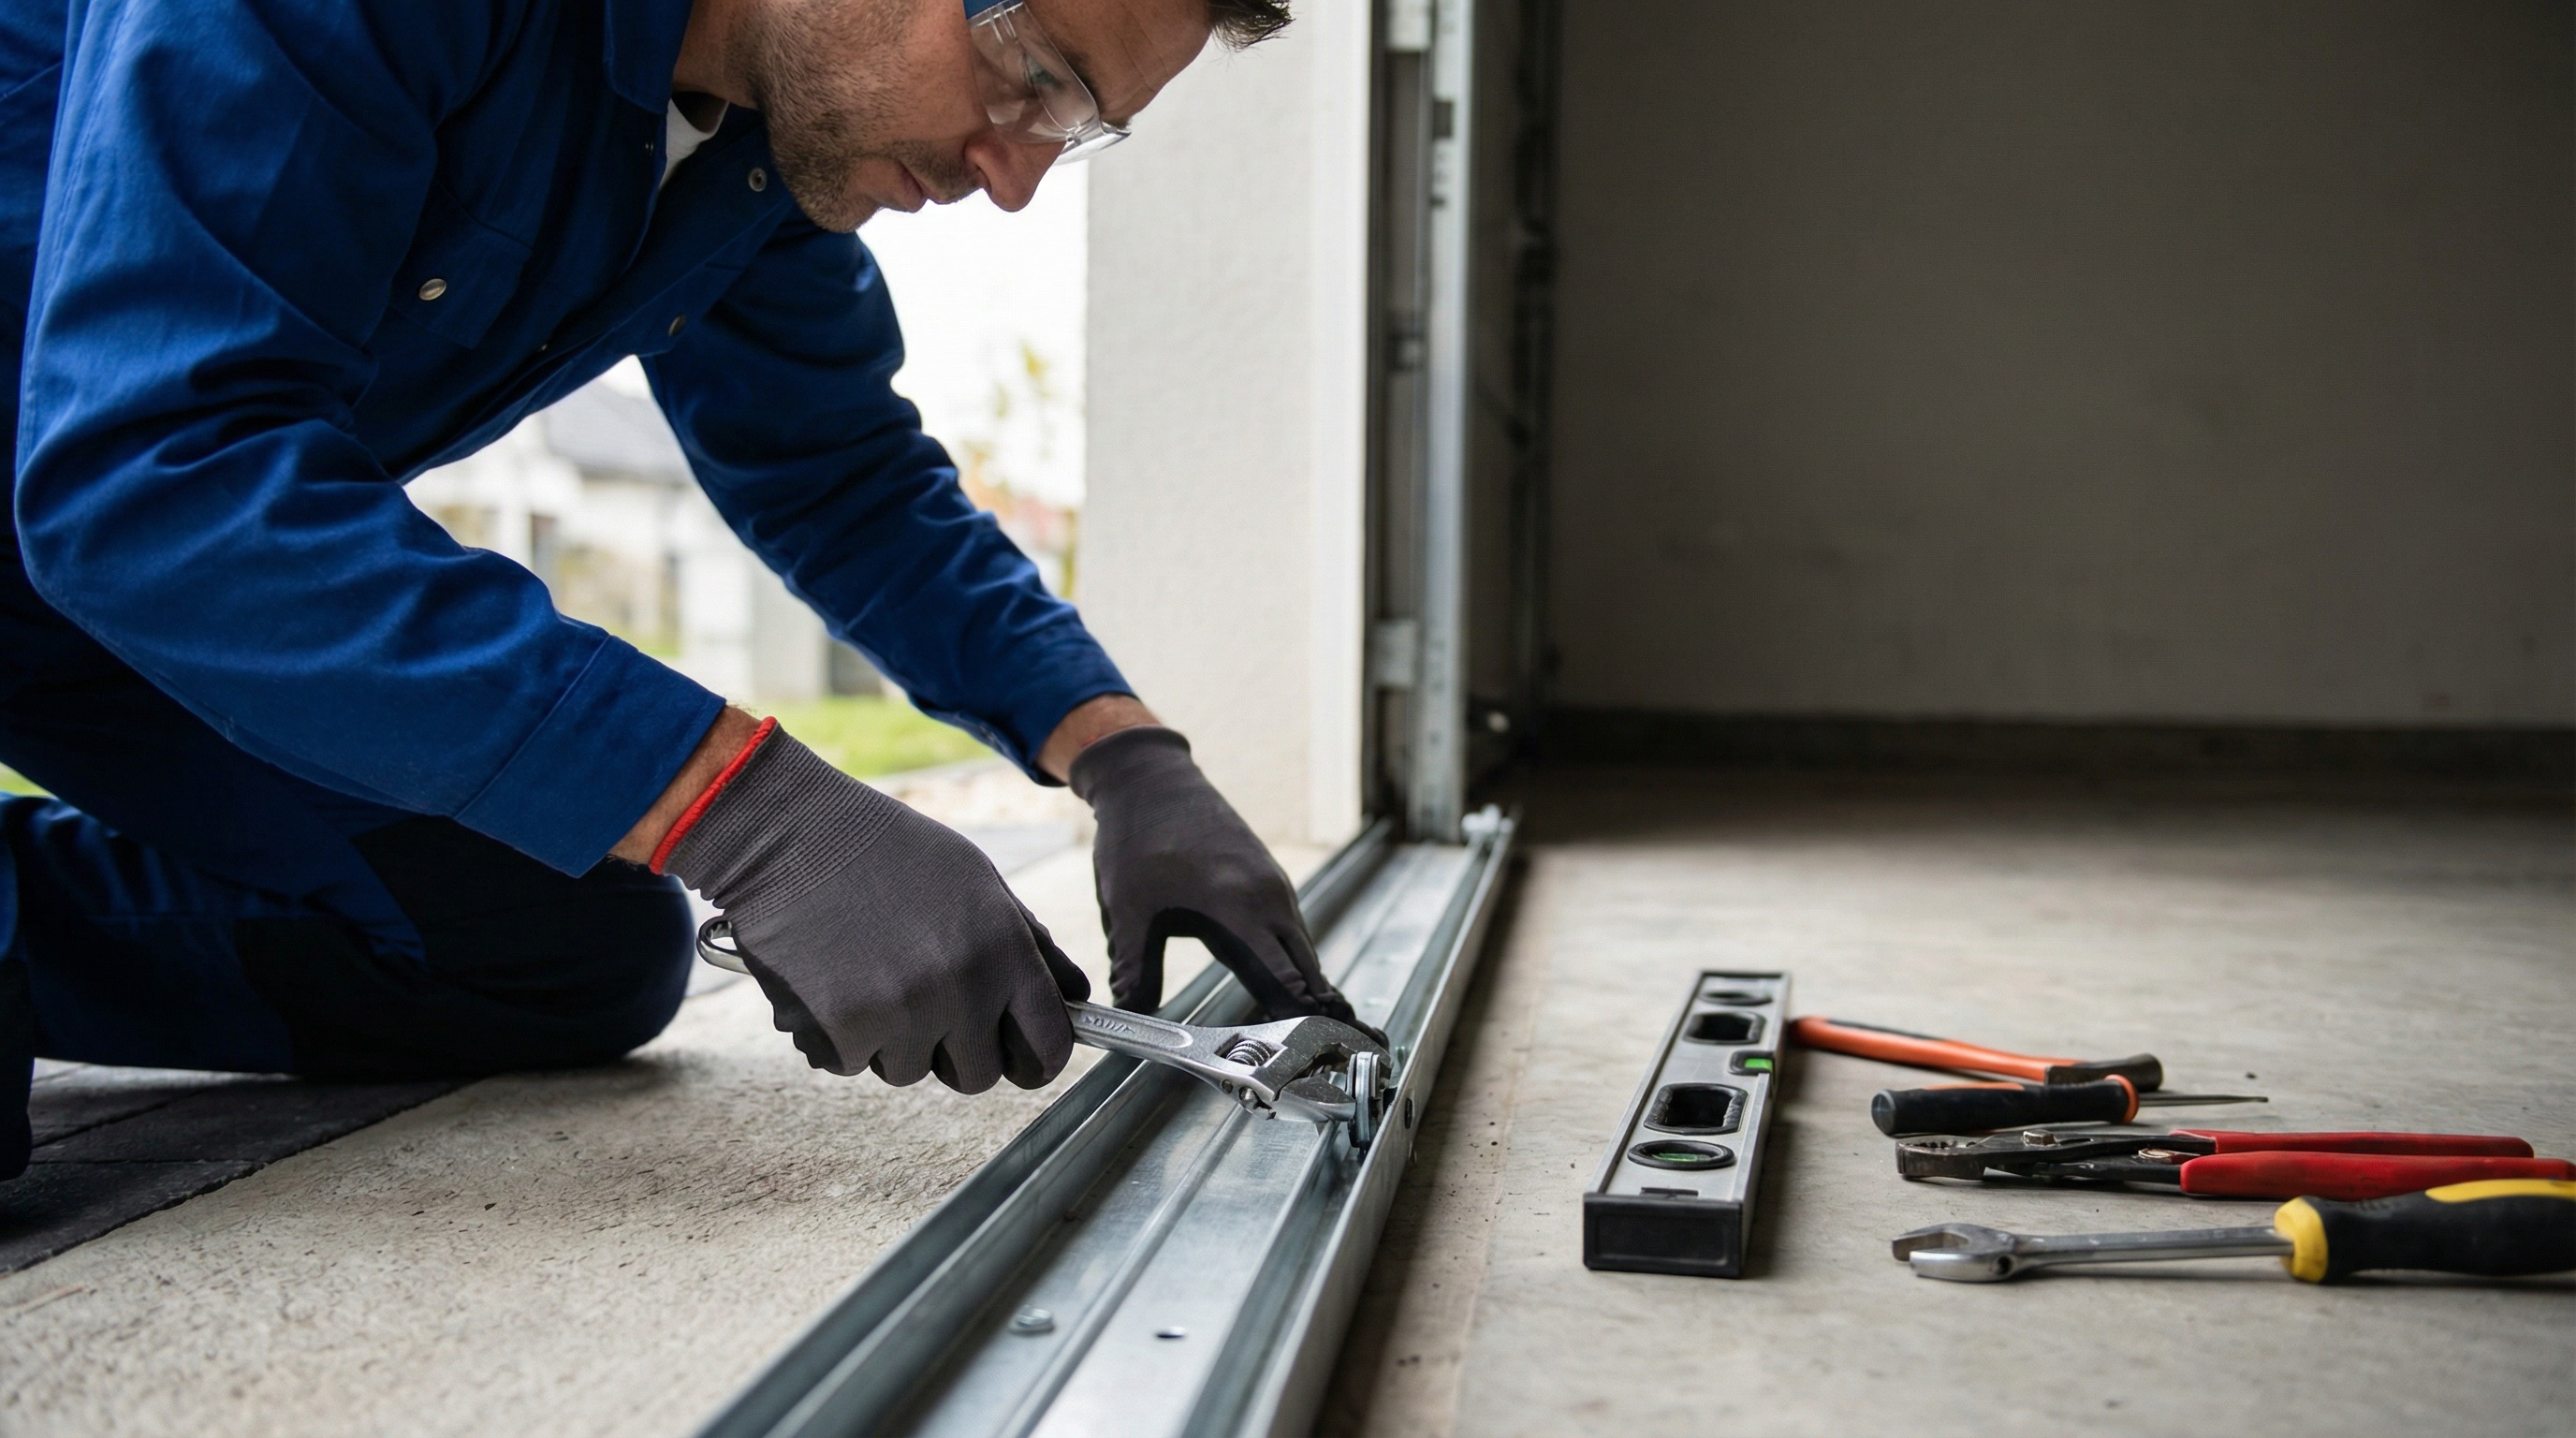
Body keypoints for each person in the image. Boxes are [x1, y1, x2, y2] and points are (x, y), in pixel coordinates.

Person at [0, 0, 1361, 1181]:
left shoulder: (754, 149)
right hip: (139, 531)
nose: (1014, 173)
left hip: (115, 610)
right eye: (1035, 71)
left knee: (562, 944)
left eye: (1075, 126)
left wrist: (1121, 757)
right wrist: (747, 811)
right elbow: (159, 473)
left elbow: (837, 474)